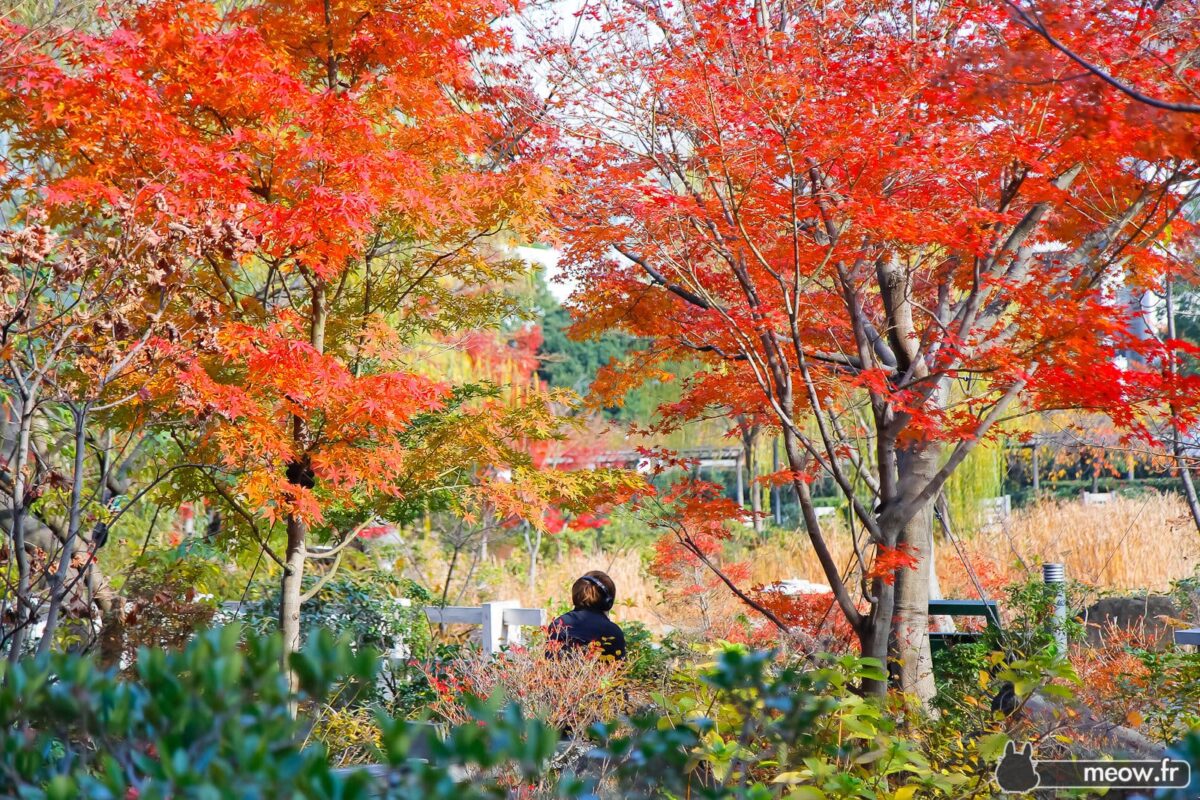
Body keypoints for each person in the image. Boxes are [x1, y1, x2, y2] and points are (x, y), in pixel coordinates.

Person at [548, 570, 626, 660]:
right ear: (608, 602)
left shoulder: (558, 625)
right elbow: (619, 670)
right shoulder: (612, 631)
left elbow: (548, 665)